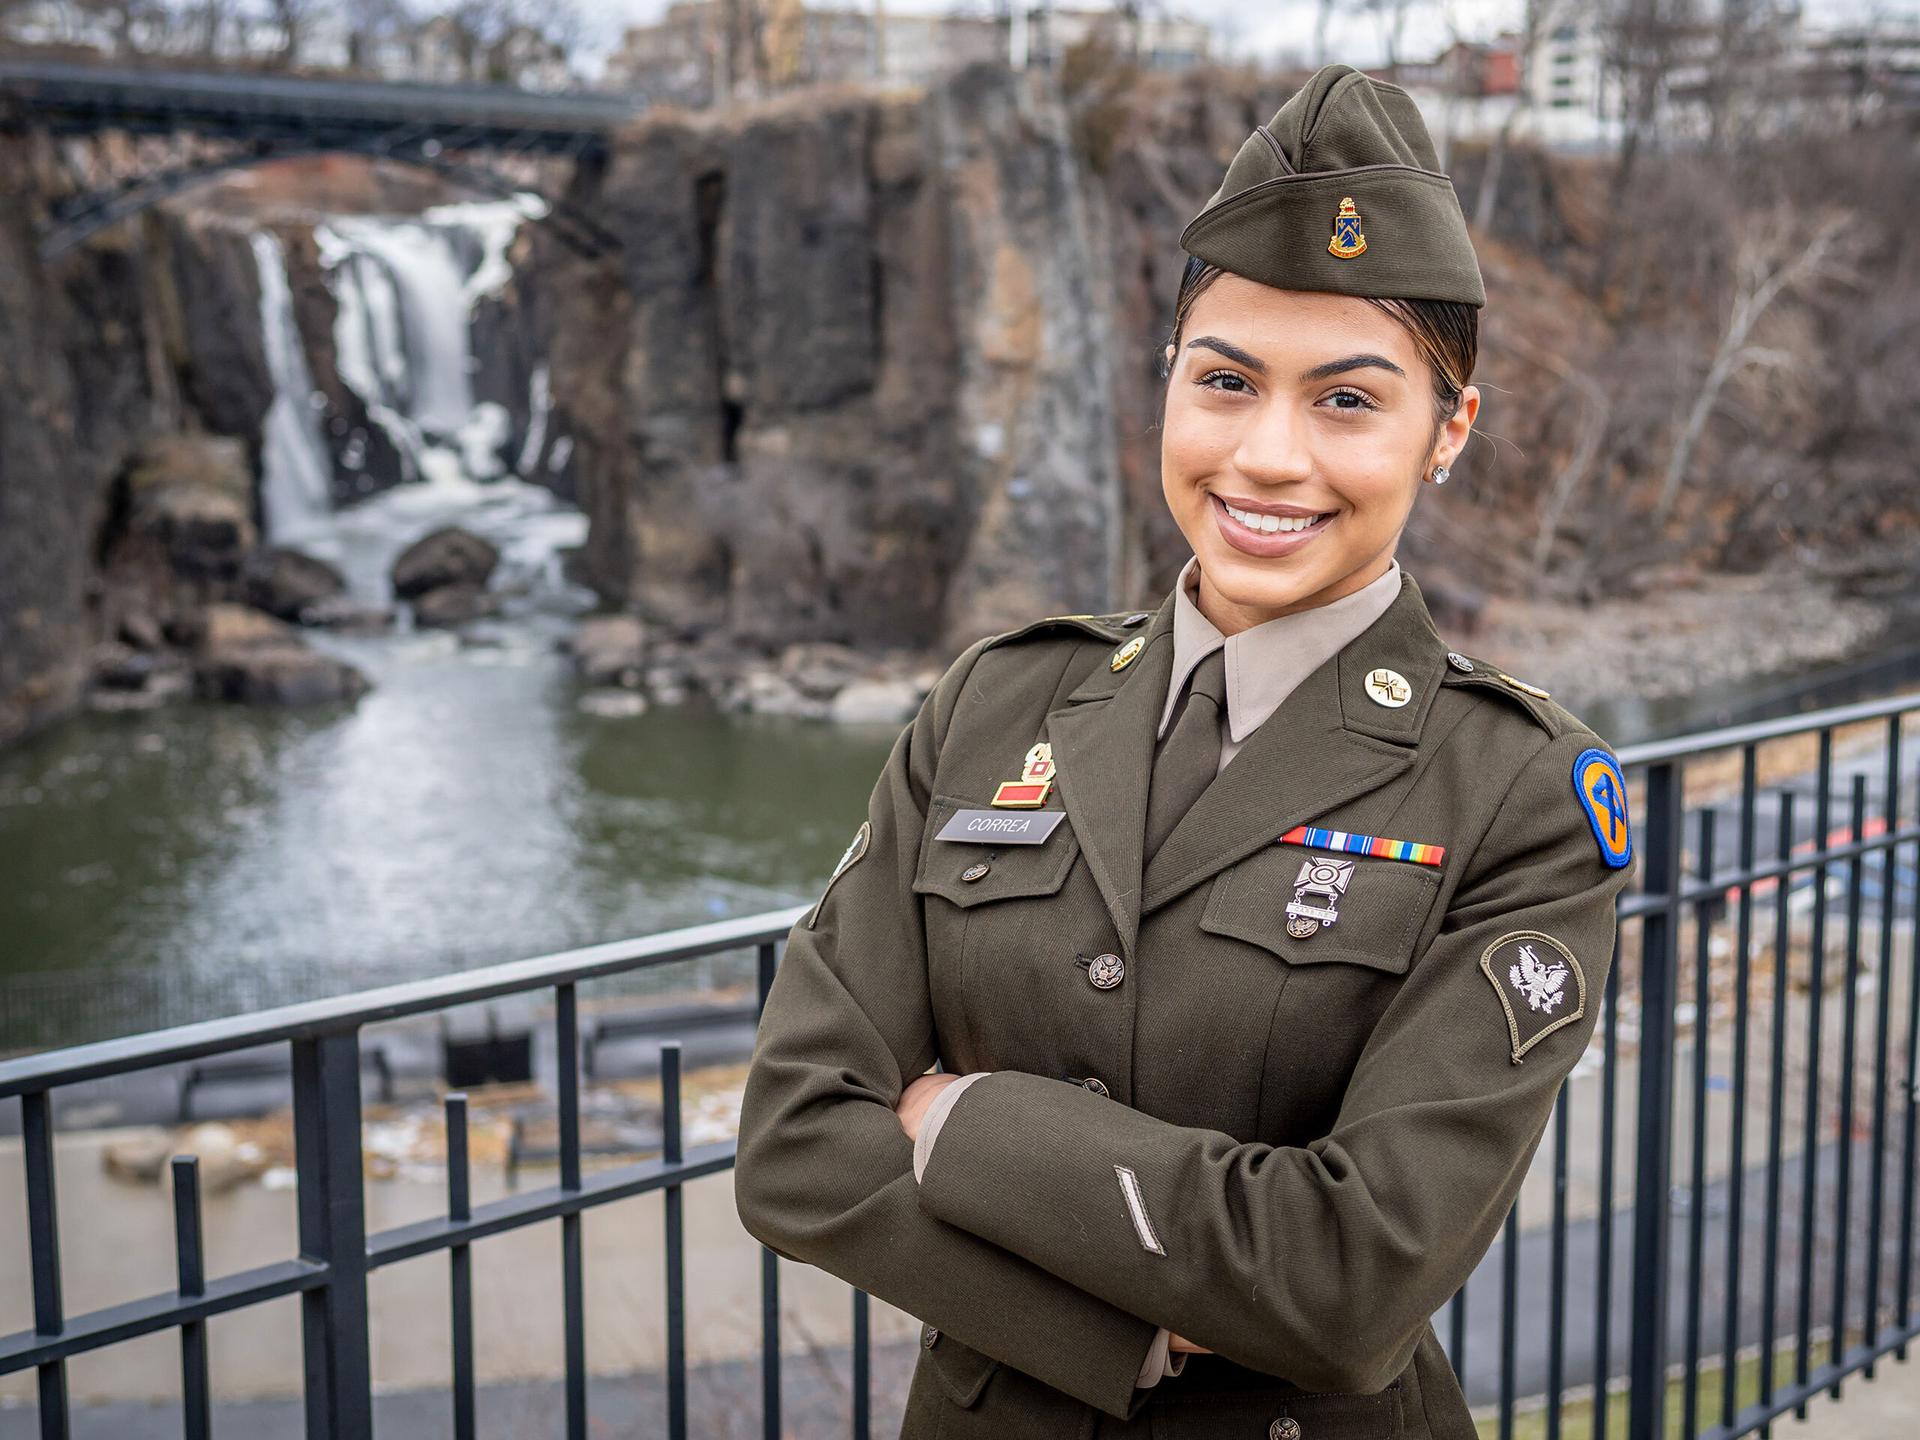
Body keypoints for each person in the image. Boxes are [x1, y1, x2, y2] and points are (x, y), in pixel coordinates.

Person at [733, 62, 1637, 1440]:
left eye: (1348, 400)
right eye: (1226, 380)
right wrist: (1133, 1332)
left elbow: (1352, 1285)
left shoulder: (1518, 791)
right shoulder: (994, 703)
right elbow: (797, 1144)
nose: (1268, 456)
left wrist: (966, 1120)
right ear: (1170, 382)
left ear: (1448, 431)